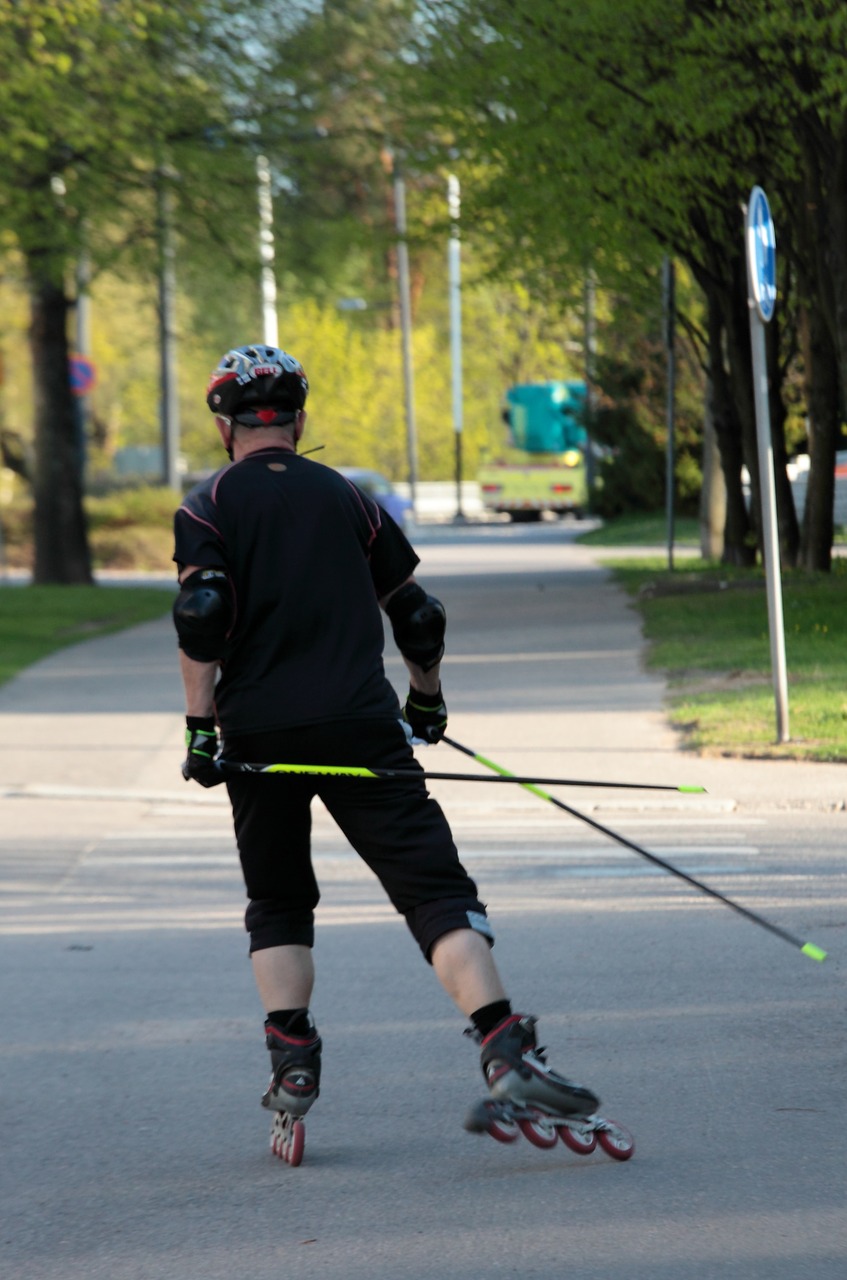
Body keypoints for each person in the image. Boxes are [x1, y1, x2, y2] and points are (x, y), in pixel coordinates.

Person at [172, 343, 599, 1157]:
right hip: (362, 725)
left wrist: (201, 731)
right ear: (298, 420)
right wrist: (427, 700)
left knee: (279, 897)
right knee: (433, 892)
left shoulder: (209, 504)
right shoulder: (349, 497)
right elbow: (416, 614)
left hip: (259, 733)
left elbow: (201, 613)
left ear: (225, 426)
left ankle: (293, 1061)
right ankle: (502, 1044)